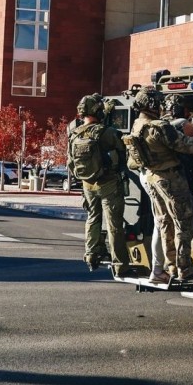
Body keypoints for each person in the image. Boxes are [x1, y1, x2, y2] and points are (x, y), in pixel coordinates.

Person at [125, 88, 193, 285]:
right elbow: (188, 145)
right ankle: (185, 269)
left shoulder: (138, 125)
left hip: (152, 178)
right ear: (152, 104)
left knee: (164, 224)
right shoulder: (160, 127)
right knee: (183, 223)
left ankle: (171, 267)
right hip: (170, 179)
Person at [67, 94, 131, 275]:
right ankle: (119, 264)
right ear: (97, 110)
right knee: (114, 224)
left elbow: (70, 163)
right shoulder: (108, 132)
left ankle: (91, 254)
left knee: (93, 218)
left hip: (87, 184)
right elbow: (124, 154)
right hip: (108, 183)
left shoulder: (74, 134)